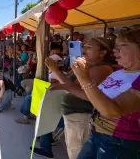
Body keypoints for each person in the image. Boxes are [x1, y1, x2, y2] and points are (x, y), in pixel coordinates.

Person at [67, 29, 140, 159]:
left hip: (120, 141)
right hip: (97, 132)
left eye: (122, 45)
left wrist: (84, 78)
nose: (115, 50)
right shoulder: (119, 71)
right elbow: (95, 96)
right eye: (115, 46)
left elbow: (112, 110)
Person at [45, 37, 114, 159]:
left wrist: (64, 86)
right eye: (83, 46)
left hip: (81, 116)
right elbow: (70, 83)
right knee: (73, 149)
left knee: (76, 152)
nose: (84, 49)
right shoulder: (87, 65)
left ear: (102, 52)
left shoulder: (101, 68)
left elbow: (89, 96)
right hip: (74, 116)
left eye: (89, 47)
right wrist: (55, 71)